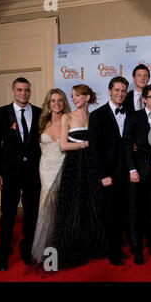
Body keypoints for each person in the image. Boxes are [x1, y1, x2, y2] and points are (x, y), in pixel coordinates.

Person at [48, 84, 106, 269]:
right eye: (72, 96)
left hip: (93, 165)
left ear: (88, 97)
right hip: (74, 165)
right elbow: (63, 146)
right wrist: (86, 144)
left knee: (94, 204)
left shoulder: (95, 117)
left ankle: (94, 246)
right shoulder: (67, 117)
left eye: (78, 95)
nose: (74, 99)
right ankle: (72, 248)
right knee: (73, 206)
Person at [0, 77, 42, 271]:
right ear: (13, 91)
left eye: (27, 90)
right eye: (19, 90)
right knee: (8, 215)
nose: (23, 93)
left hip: (32, 174)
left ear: (30, 91)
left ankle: (26, 250)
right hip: (9, 174)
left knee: (31, 215)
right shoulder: (1, 113)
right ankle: (3, 253)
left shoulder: (38, 112)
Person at [88, 77, 135, 266]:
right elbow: (95, 148)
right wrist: (103, 174)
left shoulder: (130, 113)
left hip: (126, 172)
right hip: (108, 173)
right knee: (110, 214)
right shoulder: (97, 115)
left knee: (123, 213)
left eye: (123, 90)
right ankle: (112, 251)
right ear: (109, 91)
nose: (120, 94)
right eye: (117, 90)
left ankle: (118, 248)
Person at [125, 84, 151, 265]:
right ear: (144, 99)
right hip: (139, 172)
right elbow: (127, 144)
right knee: (136, 213)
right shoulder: (134, 117)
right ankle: (137, 250)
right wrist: (132, 169)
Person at [31, 88, 71, 264]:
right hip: (46, 169)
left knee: (63, 207)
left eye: (60, 100)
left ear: (64, 103)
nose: (57, 103)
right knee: (47, 207)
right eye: (53, 100)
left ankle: (62, 248)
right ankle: (46, 251)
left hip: (65, 167)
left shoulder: (69, 121)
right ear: (48, 103)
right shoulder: (41, 121)